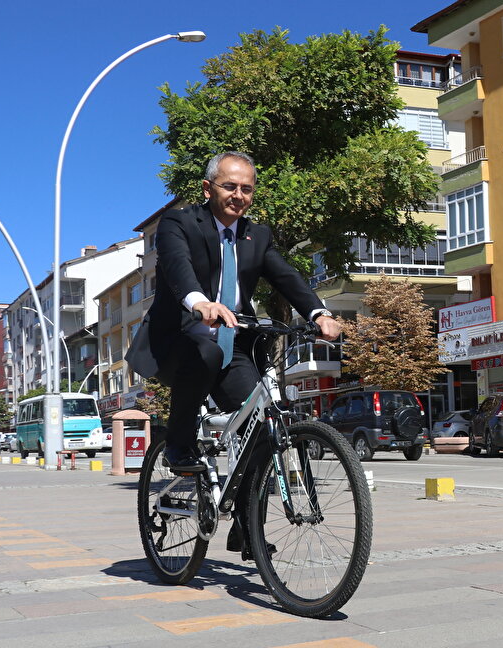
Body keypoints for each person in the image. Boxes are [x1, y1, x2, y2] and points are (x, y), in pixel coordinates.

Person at [125, 150, 341, 558]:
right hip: (178, 339)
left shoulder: (256, 236)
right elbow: (176, 265)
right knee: (203, 353)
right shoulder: (181, 221)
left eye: (247, 188)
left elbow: (286, 276)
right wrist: (198, 302)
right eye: (229, 186)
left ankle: (247, 528)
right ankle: (179, 443)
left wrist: (319, 312)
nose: (238, 195)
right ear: (208, 188)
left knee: (261, 426)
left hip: (234, 341)